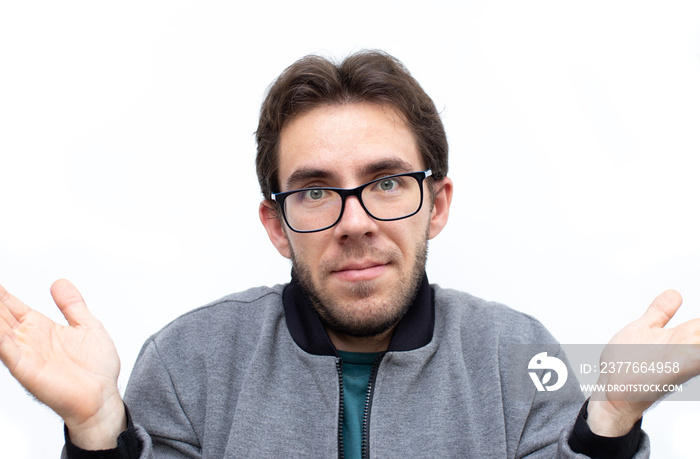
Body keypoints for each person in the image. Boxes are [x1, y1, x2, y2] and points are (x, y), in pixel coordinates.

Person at [0, 50, 698, 458]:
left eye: (388, 182)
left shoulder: (518, 354)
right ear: (277, 225)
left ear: (439, 203)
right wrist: (96, 431)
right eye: (315, 192)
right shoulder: (190, 362)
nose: (356, 221)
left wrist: (609, 416)